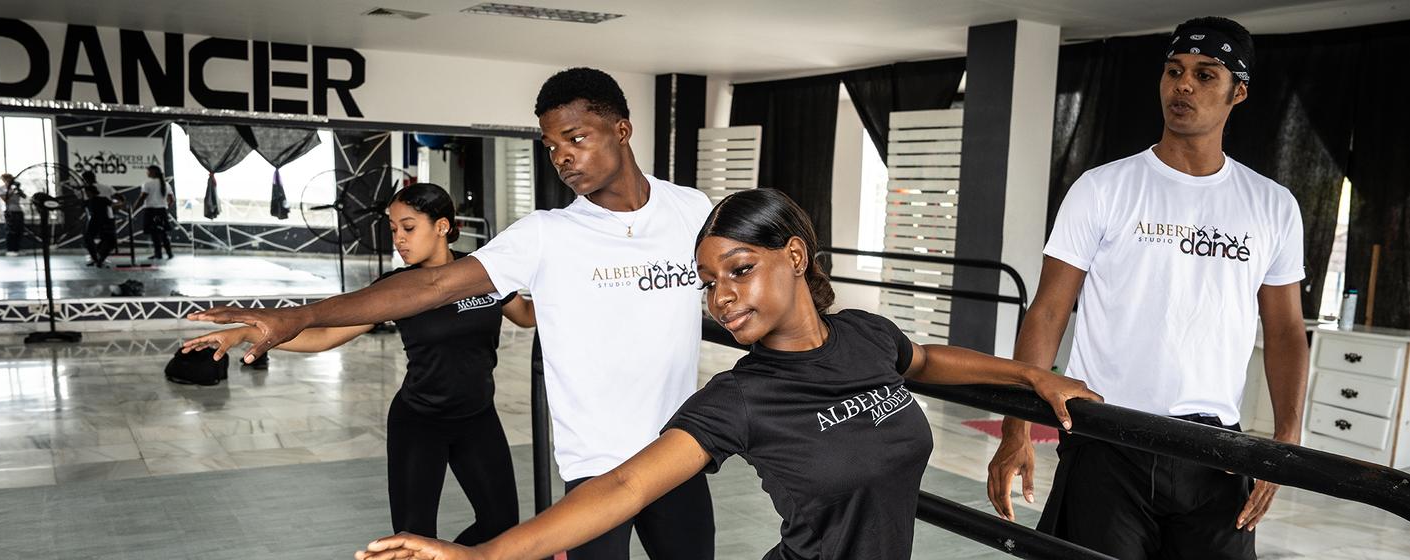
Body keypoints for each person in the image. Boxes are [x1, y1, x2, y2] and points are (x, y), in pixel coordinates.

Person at [353, 188, 1101, 560]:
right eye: (709, 282)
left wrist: (1033, 378)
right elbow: (625, 486)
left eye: (739, 270)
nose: (721, 297)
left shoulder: (866, 336)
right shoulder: (740, 396)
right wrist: (481, 555)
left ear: (795, 257)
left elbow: (930, 359)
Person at [190, 67, 718, 560]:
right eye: (551, 146)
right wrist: (299, 316)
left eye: (575, 139)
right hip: (596, 466)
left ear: (622, 130)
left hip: (677, 450)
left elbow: (736, 289)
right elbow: (433, 286)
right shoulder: (546, 235)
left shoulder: (692, 212)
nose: (561, 157)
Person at [984, 16, 1309, 560]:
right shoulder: (1103, 188)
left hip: (1215, 450)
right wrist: (1015, 427)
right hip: (1108, 435)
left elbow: (1285, 330)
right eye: (1174, 71)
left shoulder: (1273, 205)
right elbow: (1048, 312)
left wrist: (1287, 438)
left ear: (1238, 92)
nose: (1184, 86)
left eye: (1205, 75)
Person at [183, 183, 535, 543]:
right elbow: (324, 335)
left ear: (442, 226)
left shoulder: (482, 273)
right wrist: (246, 333)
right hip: (420, 423)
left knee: (501, 526)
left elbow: (525, 314)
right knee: (413, 540)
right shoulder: (397, 287)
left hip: (478, 419)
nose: (398, 239)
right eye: (393, 229)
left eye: (408, 227)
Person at [81, 171, 121, 268]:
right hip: (106, 217)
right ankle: (98, 258)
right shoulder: (106, 188)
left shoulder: (88, 192)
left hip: (100, 218)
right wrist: (117, 206)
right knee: (106, 239)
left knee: (98, 239)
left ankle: (98, 258)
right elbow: (120, 198)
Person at [135, 165, 174, 260]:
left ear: (153, 172)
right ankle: (169, 253)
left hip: (151, 211)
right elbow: (171, 199)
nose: (147, 173)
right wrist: (165, 207)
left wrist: (134, 209)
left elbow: (142, 198)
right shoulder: (166, 184)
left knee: (154, 234)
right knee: (163, 233)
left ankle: (158, 254)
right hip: (162, 211)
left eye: (148, 171)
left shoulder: (147, 184)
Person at [0, 173, 25, 256]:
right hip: (9, 211)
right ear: (4, 180)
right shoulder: (1, 189)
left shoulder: (15, 187)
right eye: (7, 179)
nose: (9, 180)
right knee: (11, 231)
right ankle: (10, 250)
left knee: (19, 230)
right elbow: (5, 199)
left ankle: (17, 249)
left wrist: (18, 190)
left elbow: (24, 196)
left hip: (18, 210)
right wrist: (12, 191)